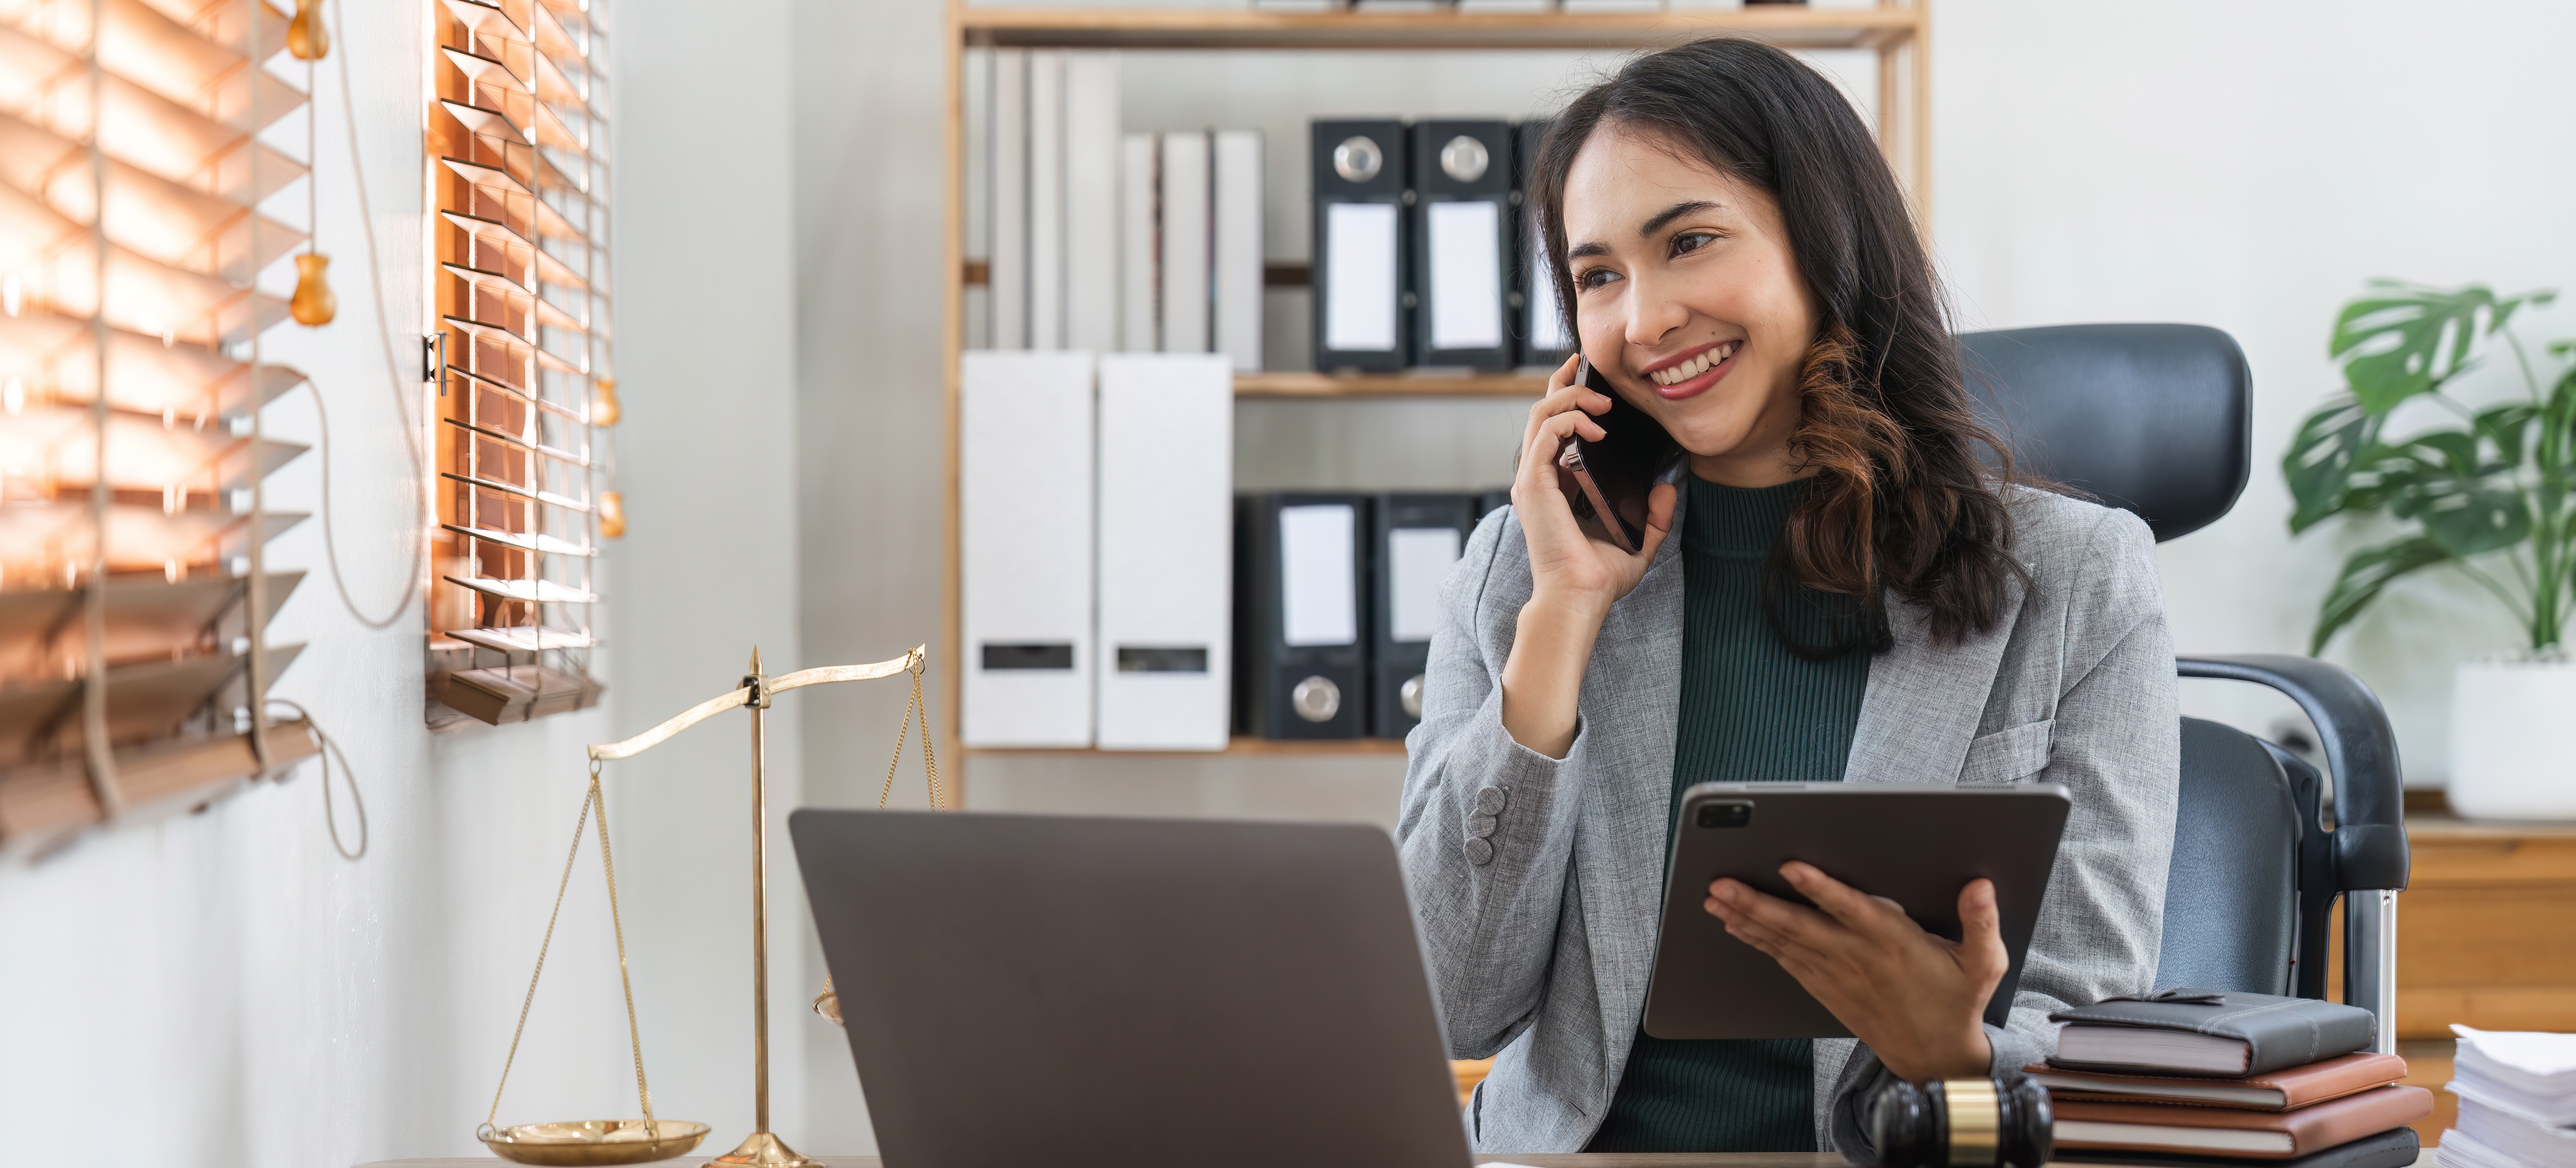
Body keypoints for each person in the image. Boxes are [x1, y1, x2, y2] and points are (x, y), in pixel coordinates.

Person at [1394, 37, 2180, 1155]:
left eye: (1690, 242)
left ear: (1823, 241)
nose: (1643, 319)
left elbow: (2087, 1034)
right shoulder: (1518, 568)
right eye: (1597, 275)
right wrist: (1562, 617)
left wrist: (1949, 1048)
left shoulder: (2076, 577)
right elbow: (1448, 1001)